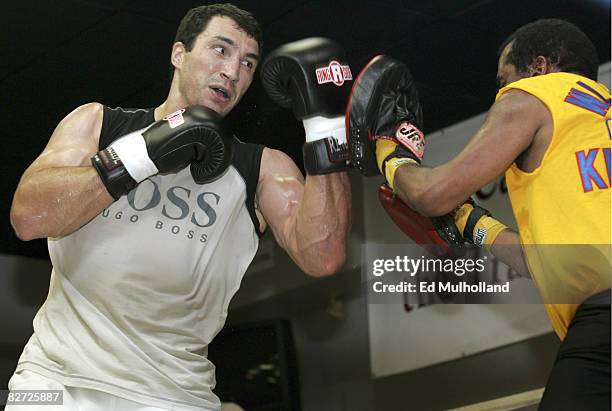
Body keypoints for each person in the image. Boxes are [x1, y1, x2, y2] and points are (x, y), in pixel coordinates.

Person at [8, 4, 351, 411]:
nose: (232, 71)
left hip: (177, 395)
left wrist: (328, 129)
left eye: (247, 62)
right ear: (178, 54)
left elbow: (323, 255)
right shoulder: (99, 125)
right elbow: (28, 217)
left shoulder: (261, 168)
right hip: (57, 383)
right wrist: (142, 154)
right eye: (220, 50)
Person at [349, 19, 610, 410]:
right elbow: (537, 261)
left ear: (539, 67)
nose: (503, 93)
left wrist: (388, 152)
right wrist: (471, 221)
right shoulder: (594, 121)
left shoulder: (534, 94)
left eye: (504, 81)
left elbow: (432, 194)